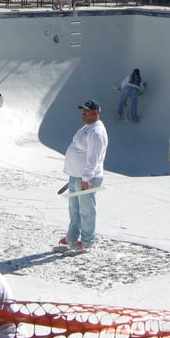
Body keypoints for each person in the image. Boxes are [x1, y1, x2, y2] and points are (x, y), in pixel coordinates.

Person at [57, 99, 108, 253]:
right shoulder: (88, 127)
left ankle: (87, 242)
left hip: (87, 179)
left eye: (86, 111)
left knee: (86, 210)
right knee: (74, 208)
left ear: (96, 113)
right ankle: (72, 237)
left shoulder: (97, 132)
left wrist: (86, 179)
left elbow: (94, 158)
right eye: (82, 111)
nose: (83, 113)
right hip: (76, 176)